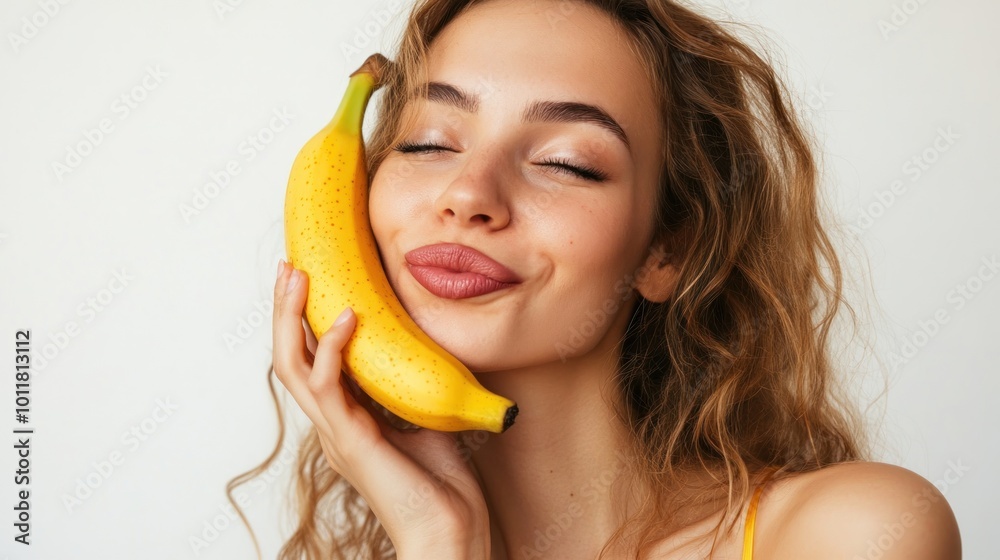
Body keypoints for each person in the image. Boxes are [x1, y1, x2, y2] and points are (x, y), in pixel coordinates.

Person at [229, 0, 962, 558]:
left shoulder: (853, 531)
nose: (469, 194)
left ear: (666, 252)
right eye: (427, 142)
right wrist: (436, 538)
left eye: (565, 163)